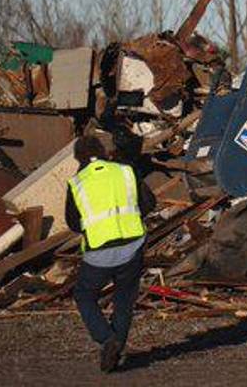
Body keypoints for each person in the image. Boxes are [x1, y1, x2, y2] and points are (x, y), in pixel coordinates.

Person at [65, 135, 156, 373]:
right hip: (133, 246)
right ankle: (115, 349)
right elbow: (149, 203)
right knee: (124, 300)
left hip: (99, 253)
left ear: (78, 158)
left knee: (84, 296)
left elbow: (74, 223)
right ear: (104, 152)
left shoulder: (77, 183)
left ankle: (107, 340)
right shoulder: (125, 171)